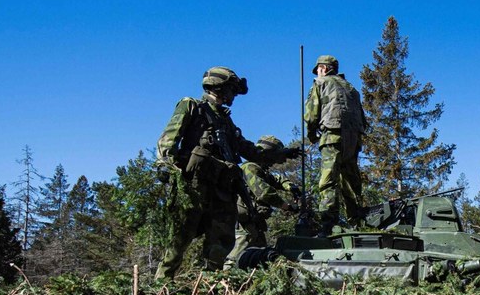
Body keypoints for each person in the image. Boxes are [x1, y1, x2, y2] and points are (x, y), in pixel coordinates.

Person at [154, 67, 295, 279]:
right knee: (180, 239)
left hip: (223, 191)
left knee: (220, 244)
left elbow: (250, 151)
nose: (234, 96)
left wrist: (282, 153)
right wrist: (165, 164)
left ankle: (208, 290)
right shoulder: (193, 106)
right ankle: (161, 287)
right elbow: (169, 138)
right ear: (219, 87)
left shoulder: (226, 122)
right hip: (194, 186)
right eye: (232, 90)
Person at [303, 54, 366, 235]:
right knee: (351, 182)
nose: (318, 73)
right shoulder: (352, 89)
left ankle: (328, 225)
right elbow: (363, 118)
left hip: (332, 136)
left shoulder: (320, 83)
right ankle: (357, 222)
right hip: (353, 140)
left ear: (324, 68)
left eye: (318, 69)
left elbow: (311, 114)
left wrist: (311, 135)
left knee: (328, 181)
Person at [228, 135, 300, 265]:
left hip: (256, 222)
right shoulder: (250, 167)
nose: (274, 162)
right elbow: (264, 192)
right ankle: (224, 282)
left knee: (258, 259)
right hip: (246, 223)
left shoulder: (261, 170)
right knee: (236, 258)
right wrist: (287, 206)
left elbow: (276, 180)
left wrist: (290, 186)